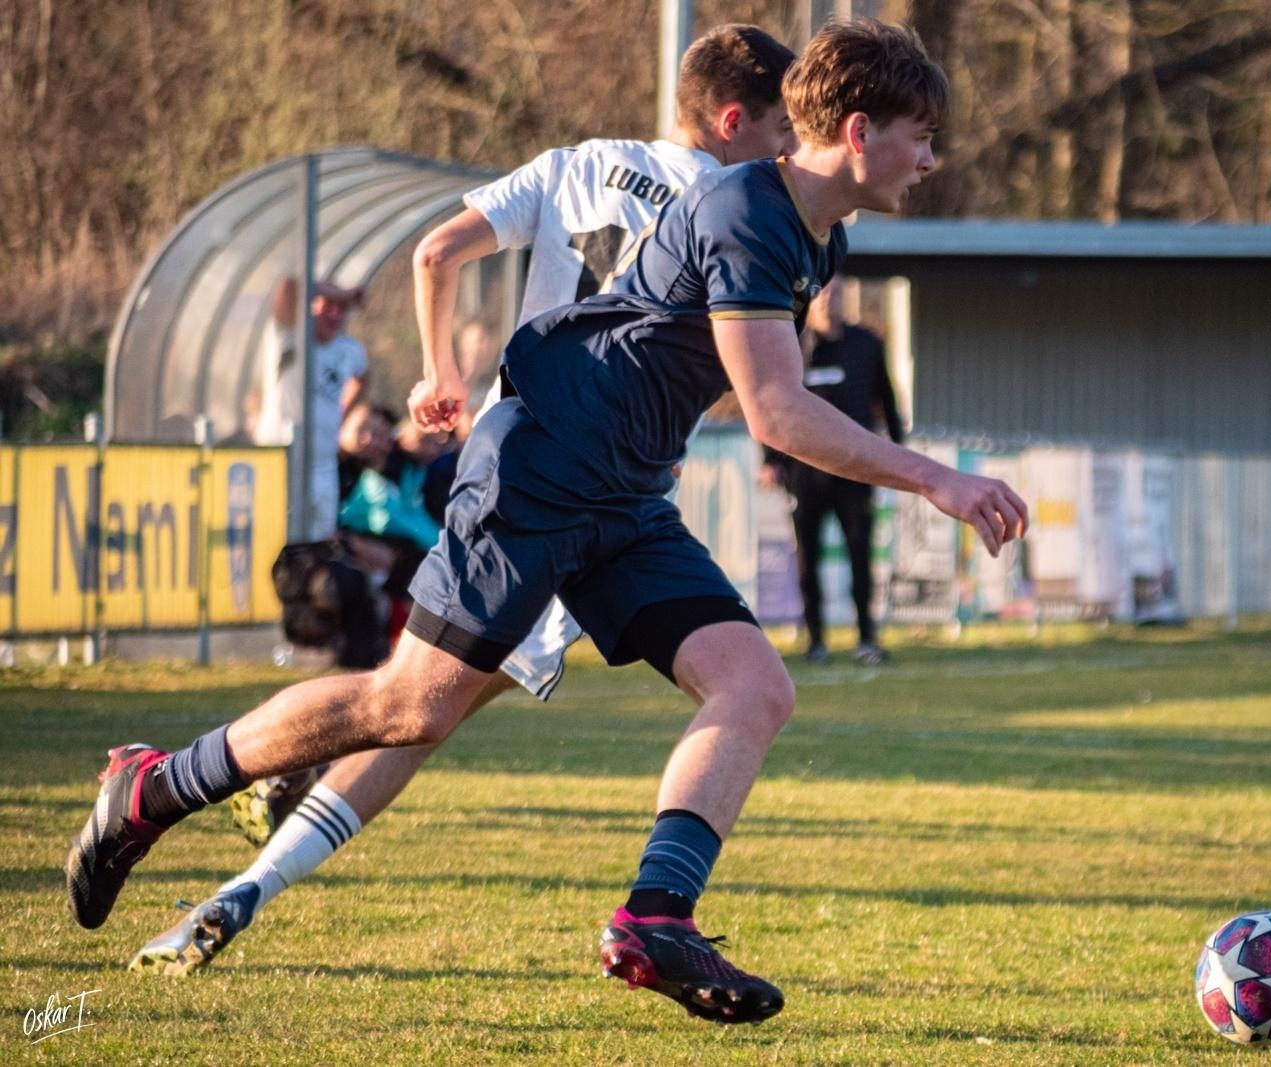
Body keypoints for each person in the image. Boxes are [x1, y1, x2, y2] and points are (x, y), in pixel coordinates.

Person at [71, 20, 1026, 1026]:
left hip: (621, 492)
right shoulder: (747, 207)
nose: (932, 160)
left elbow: (755, 388)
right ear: (862, 129)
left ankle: (656, 917)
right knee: (412, 706)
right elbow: (779, 412)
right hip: (540, 467)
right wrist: (936, 479)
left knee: (753, 684)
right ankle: (157, 783)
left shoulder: (815, 239)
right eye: (922, 136)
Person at [124, 24, 798, 977]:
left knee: (424, 705)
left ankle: (236, 856)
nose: (787, 148)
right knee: (415, 704)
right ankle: (209, 821)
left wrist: (441, 371)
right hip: (576, 485)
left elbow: (439, 251)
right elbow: (745, 379)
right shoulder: (732, 209)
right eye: (779, 126)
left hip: (523, 460)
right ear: (734, 122)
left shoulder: (580, 164)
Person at [764, 277, 903, 664]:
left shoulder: (866, 344)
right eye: (821, 294)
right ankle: (816, 642)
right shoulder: (794, 345)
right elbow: (769, 406)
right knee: (808, 559)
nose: (828, 301)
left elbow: (886, 401)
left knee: (861, 555)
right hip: (805, 473)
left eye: (835, 293)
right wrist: (771, 461)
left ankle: (866, 640)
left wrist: (898, 457)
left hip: (856, 471)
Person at [254, 277, 369, 540]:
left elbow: (363, 378)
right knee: (278, 536)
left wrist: (343, 414)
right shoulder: (290, 335)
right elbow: (287, 287)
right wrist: (341, 292)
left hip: (323, 462)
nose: (335, 314)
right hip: (281, 456)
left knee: (320, 541)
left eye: (342, 308)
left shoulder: (349, 349)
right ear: (310, 305)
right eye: (328, 305)